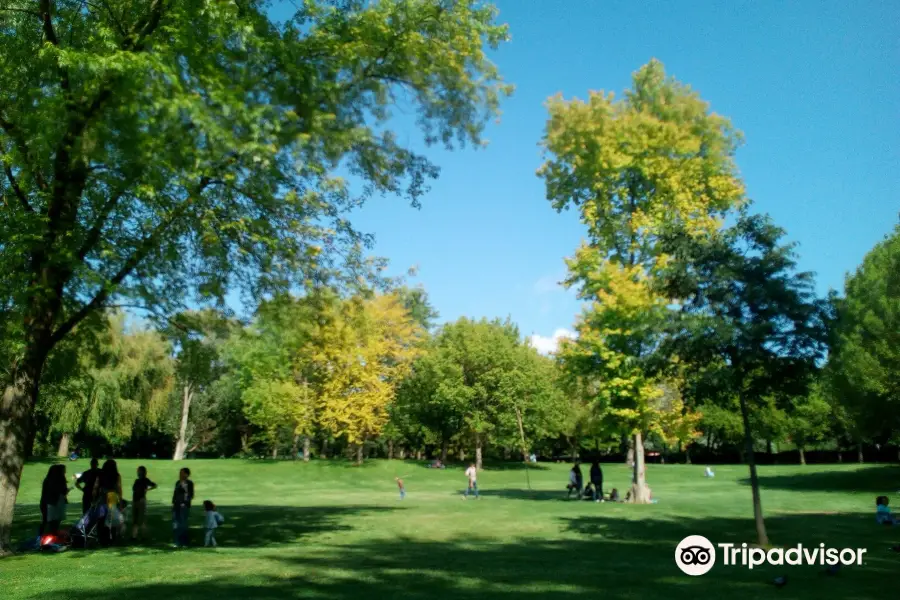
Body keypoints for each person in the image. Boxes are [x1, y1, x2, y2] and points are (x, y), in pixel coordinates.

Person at [94, 459, 125, 543]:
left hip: (102, 497)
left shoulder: (100, 474)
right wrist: (121, 501)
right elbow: (119, 488)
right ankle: (112, 537)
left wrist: (94, 498)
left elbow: (96, 487)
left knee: (101, 518)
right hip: (112, 496)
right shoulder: (116, 475)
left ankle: (101, 538)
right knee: (112, 517)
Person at [40, 464, 70, 535]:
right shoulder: (55, 480)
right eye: (63, 470)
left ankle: (45, 537)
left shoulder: (48, 479)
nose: (65, 472)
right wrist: (66, 490)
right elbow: (61, 491)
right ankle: (47, 537)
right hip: (52, 504)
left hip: (48, 503)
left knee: (48, 522)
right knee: (52, 522)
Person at [131, 466, 158, 541]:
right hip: (135, 501)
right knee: (135, 519)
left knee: (141, 519)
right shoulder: (136, 481)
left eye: (139, 471)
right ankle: (134, 536)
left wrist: (147, 490)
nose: (138, 472)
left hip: (141, 501)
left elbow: (155, 485)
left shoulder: (145, 480)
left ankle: (144, 536)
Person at [172, 467, 195, 547]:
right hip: (176, 506)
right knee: (175, 524)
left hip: (184, 506)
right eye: (180, 472)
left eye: (182, 472)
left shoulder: (189, 483)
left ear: (186, 474)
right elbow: (175, 493)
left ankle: (184, 542)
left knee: (183, 524)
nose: (180, 474)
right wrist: (173, 502)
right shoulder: (177, 482)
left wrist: (185, 503)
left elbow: (190, 495)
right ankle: (177, 542)